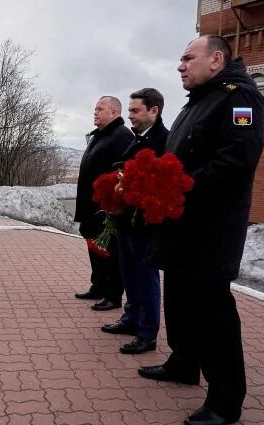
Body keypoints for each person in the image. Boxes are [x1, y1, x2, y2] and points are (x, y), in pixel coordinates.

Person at [138, 35, 264, 425]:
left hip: (211, 229)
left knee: (212, 312)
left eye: (187, 58)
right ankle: (184, 363)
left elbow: (237, 161)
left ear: (215, 59)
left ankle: (225, 402)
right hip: (183, 226)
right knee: (179, 301)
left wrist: (177, 187)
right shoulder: (201, 99)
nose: (180, 66)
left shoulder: (238, 97)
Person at [100, 88, 168, 355]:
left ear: (154, 111)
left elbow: (160, 184)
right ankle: (131, 319)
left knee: (145, 277)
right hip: (125, 221)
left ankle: (147, 332)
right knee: (129, 274)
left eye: (135, 110)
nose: (130, 116)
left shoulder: (163, 139)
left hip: (144, 224)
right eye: (129, 110)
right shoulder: (138, 138)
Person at [74, 96, 133, 311]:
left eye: (100, 109)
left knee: (109, 251)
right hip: (91, 205)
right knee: (95, 248)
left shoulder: (121, 136)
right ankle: (98, 286)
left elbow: (120, 172)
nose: (95, 112)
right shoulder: (101, 135)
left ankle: (112, 294)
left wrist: (112, 202)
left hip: (105, 207)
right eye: (95, 109)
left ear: (114, 113)